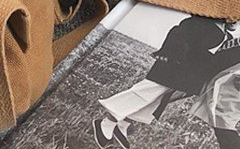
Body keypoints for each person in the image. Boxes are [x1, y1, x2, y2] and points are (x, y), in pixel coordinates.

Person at [92, 16, 232, 148]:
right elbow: (178, 34)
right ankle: (107, 122)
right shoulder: (201, 21)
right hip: (174, 65)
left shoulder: (225, 32)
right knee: (147, 92)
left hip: (189, 72)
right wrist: (169, 56)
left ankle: (123, 123)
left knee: (157, 99)